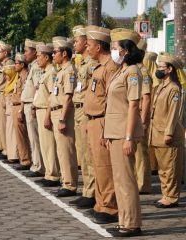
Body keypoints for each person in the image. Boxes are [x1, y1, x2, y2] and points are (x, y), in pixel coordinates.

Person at [104, 28, 144, 237]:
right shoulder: (121, 71)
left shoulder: (133, 72)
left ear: (126, 50)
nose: (113, 51)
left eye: (115, 48)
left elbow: (133, 105)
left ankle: (131, 224)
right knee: (119, 179)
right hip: (115, 132)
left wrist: (129, 137)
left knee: (126, 179)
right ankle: (125, 221)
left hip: (123, 133)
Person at [84, 25, 118, 224]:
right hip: (93, 121)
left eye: (89, 45)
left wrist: (106, 128)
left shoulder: (110, 68)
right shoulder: (98, 67)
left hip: (103, 121)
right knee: (97, 165)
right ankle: (100, 203)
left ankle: (110, 206)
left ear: (98, 47)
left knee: (105, 166)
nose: (87, 48)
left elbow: (111, 100)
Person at [149, 52, 185, 208]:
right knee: (162, 169)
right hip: (156, 132)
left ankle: (171, 197)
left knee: (170, 168)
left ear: (170, 69)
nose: (158, 69)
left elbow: (173, 113)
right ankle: (166, 195)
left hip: (167, 134)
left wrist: (169, 132)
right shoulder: (160, 86)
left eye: (161, 67)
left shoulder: (174, 89)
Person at [69, 25, 97, 209]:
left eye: (77, 41)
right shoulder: (81, 63)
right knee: (82, 152)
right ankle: (87, 189)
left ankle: (92, 192)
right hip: (78, 109)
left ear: (86, 43)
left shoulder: (92, 64)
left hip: (87, 110)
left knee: (89, 154)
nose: (74, 44)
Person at [49, 36, 78, 197]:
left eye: (55, 52)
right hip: (56, 111)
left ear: (65, 54)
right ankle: (65, 180)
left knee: (66, 150)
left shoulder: (69, 71)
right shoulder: (61, 71)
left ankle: (70, 184)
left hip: (62, 112)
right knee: (61, 150)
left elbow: (68, 97)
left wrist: (62, 118)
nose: (53, 55)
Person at [32, 43, 61, 187]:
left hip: (45, 111)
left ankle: (53, 175)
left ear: (46, 57)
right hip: (40, 110)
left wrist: (48, 116)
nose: (37, 59)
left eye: (39, 56)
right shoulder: (45, 73)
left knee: (49, 145)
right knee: (44, 144)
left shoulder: (51, 73)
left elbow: (52, 96)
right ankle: (49, 172)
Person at [18, 39, 45, 175]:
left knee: (35, 138)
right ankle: (36, 164)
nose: (25, 54)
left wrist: (34, 106)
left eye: (26, 51)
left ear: (34, 52)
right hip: (28, 105)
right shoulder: (33, 66)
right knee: (33, 138)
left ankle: (38, 166)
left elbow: (37, 87)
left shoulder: (37, 67)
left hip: (32, 105)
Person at [135, 39, 152, 194]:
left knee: (141, 152)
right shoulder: (134, 70)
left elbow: (146, 97)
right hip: (132, 115)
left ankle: (143, 184)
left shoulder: (143, 72)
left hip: (140, 115)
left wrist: (144, 120)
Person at [0, 40, 14, 160]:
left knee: (4, 124)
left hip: (3, 95)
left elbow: (9, 82)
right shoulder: (2, 65)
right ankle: (2, 147)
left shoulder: (9, 63)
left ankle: (7, 149)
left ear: (5, 53)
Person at [10, 53, 32, 167]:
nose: (14, 65)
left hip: (20, 106)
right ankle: (23, 157)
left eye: (16, 63)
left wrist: (21, 111)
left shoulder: (25, 77)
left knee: (22, 136)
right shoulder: (19, 77)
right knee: (19, 136)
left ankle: (26, 160)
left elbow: (24, 95)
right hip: (15, 105)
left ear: (22, 64)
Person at [2, 64, 19, 162]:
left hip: (12, 110)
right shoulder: (8, 83)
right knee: (9, 133)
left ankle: (14, 156)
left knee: (12, 134)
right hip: (8, 111)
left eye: (7, 74)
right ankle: (10, 154)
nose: (6, 77)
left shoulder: (15, 83)